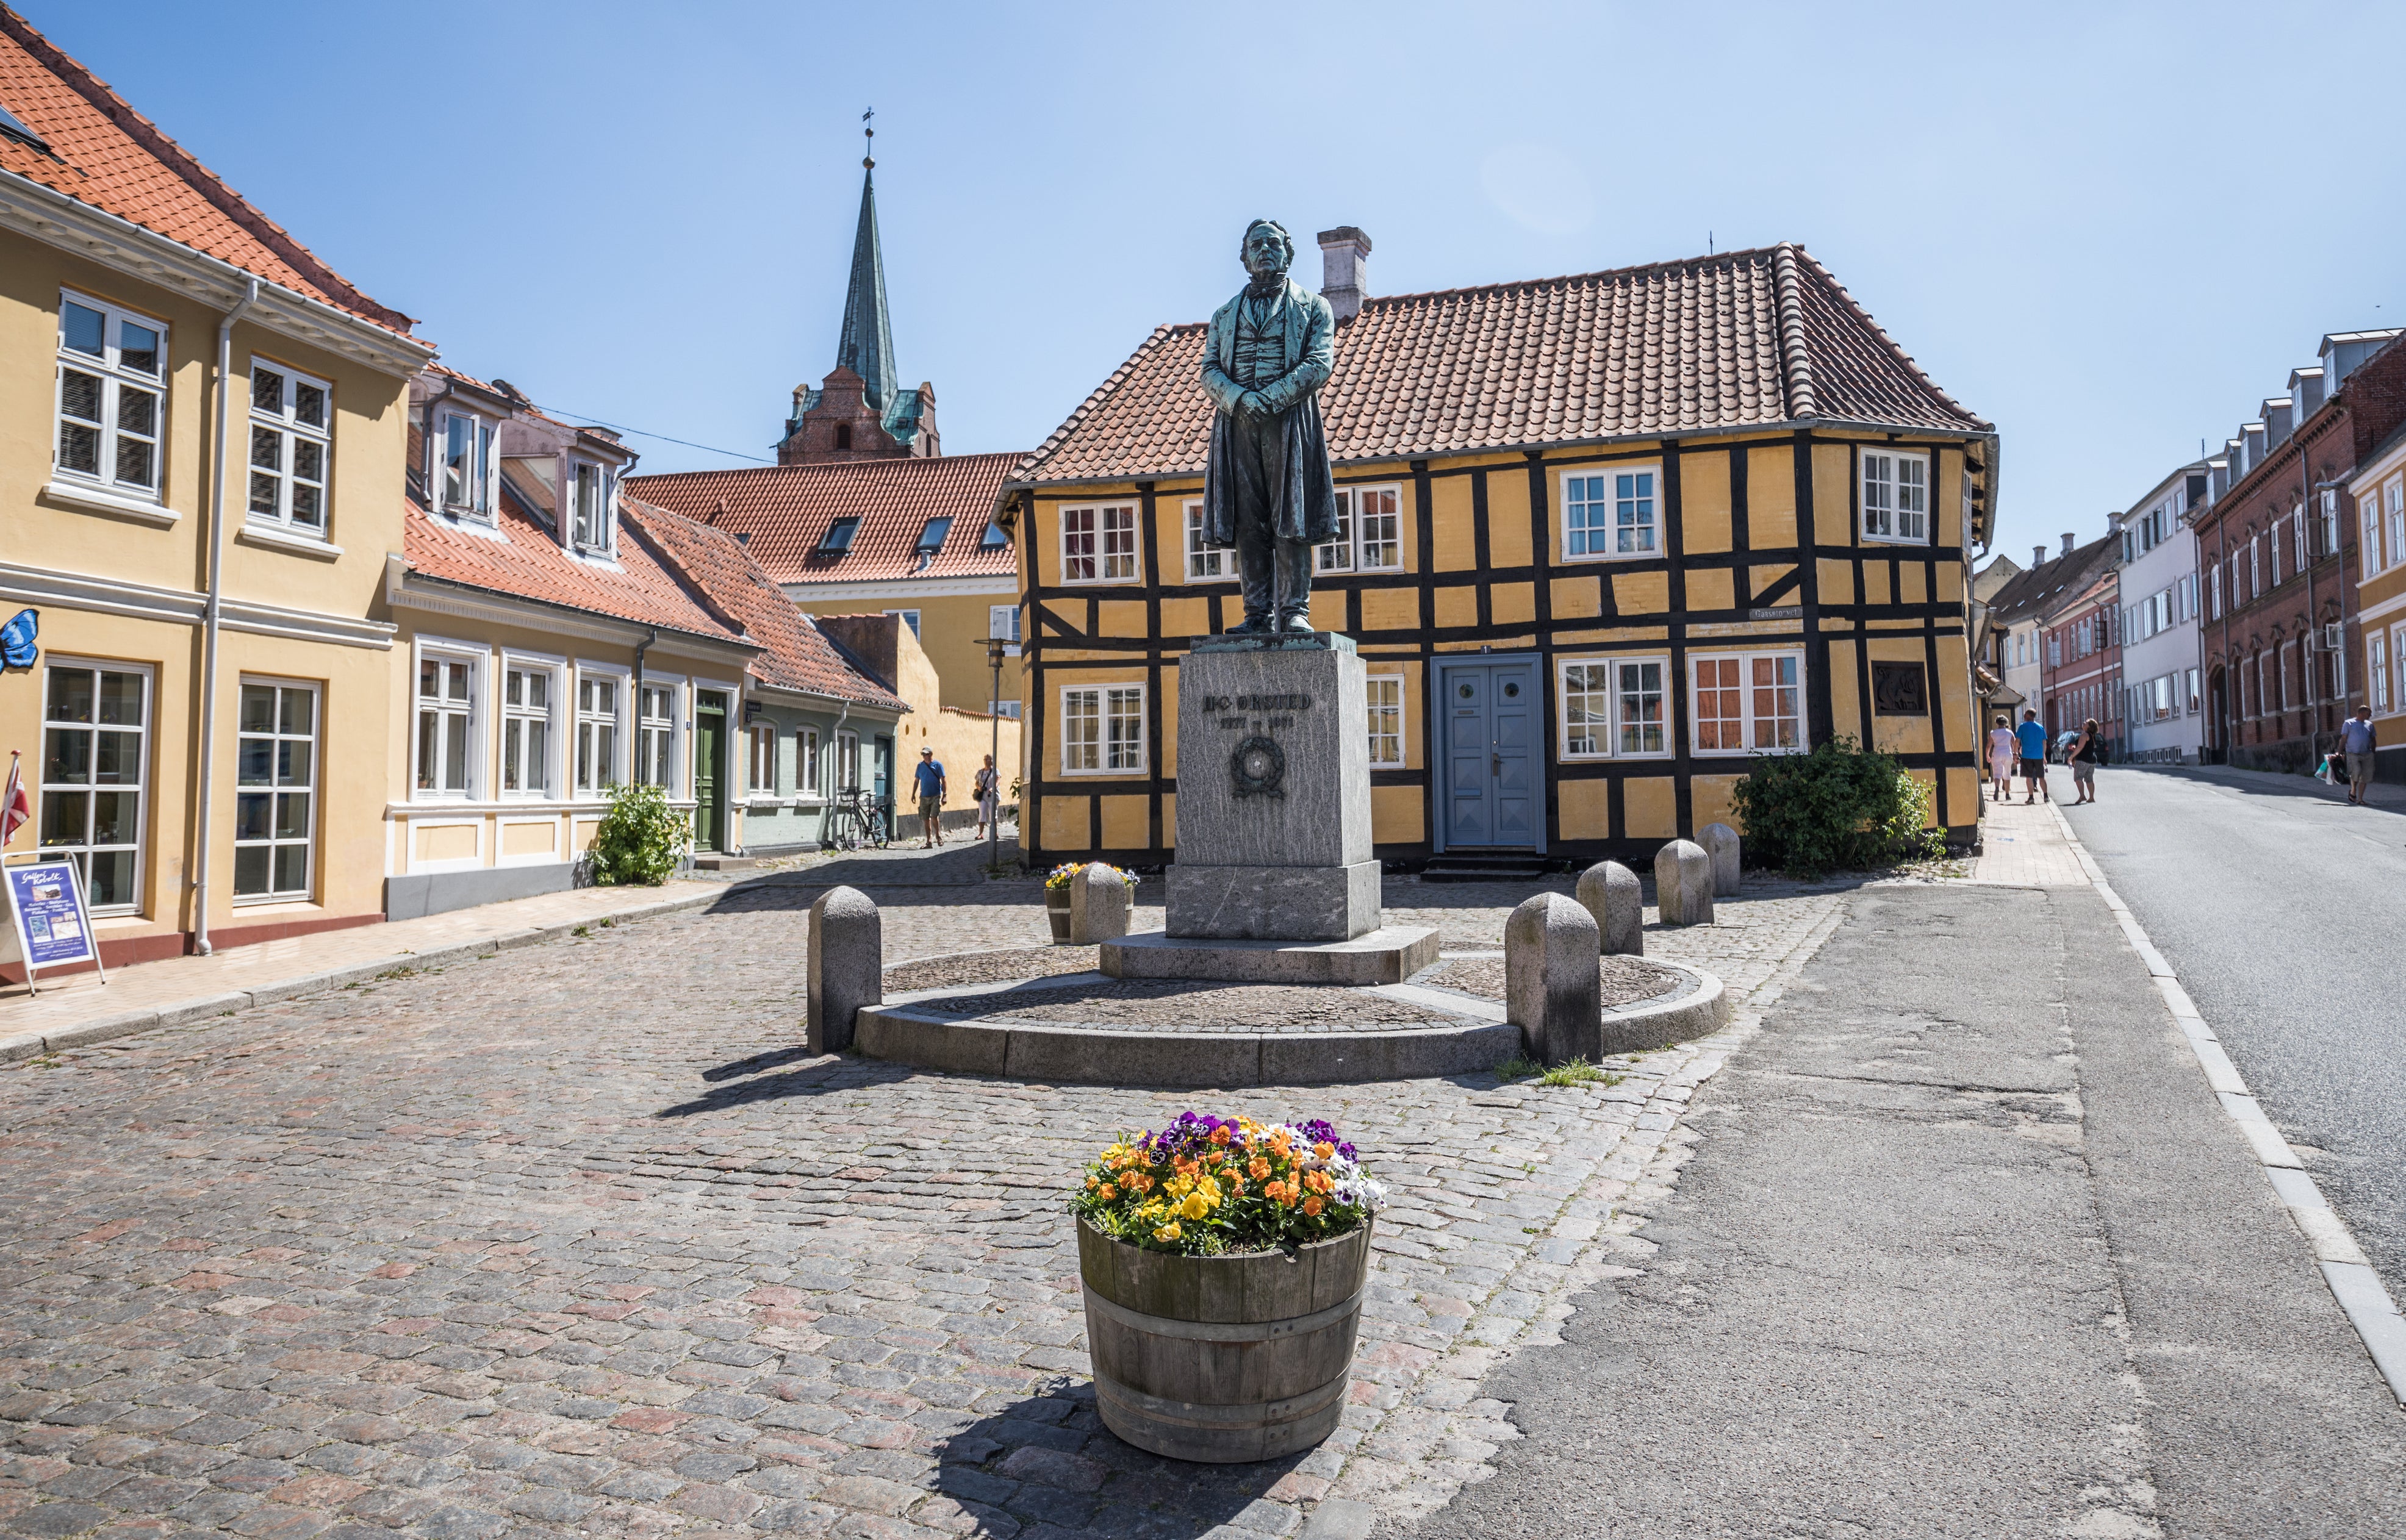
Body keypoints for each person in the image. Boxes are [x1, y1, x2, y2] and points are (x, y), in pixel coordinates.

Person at [2341, 706, 2379, 805]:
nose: (2370, 716)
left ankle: (2360, 799)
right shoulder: (2349, 723)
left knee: (2366, 777)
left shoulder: (2370, 725)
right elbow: (2344, 738)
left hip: (2367, 753)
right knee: (2356, 772)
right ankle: (2353, 790)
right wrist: (2339, 752)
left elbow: (2373, 739)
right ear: (2361, 713)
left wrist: (2373, 752)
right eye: (2368, 714)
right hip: (2353, 753)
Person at [913, 747, 947, 848]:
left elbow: (943, 780)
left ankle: (938, 836)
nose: (924, 756)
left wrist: (945, 795)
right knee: (925, 819)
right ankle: (929, 841)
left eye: (926, 754)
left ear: (931, 754)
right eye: (923, 754)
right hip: (924, 796)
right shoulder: (920, 766)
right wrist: (913, 794)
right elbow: (917, 780)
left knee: (934, 817)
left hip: (935, 795)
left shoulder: (938, 765)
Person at [2016, 709, 2050, 804]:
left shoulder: (2022, 726)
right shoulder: (2040, 727)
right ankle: (2046, 796)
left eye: (2025, 714)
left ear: (2028, 716)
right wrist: (2043, 755)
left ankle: (2031, 798)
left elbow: (2017, 740)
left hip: (2026, 756)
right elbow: (2044, 742)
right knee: (2041, 777)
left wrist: (2015, 753)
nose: (2024, 716)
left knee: (2029, 777)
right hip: (2038, 756)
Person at [2069, 717, 2102, 804]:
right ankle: (2091, 797)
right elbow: (2086, 747)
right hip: (2092, 760)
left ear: (2090, 726)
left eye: (2086, 722)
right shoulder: (2093, 736)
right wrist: (2076, 748)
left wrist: (2072, 757)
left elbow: (2080, 747)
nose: (2084, 723)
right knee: (2089, 779)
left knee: (2078, 778)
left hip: (2083, 760)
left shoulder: (2084, 735)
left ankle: (2082, 796)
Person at [1986, 714, 2018, 801]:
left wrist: (1987, 755)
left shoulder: (1993, 733)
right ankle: (2007, 794)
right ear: (2006, 723)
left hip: (1997, 753)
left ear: (1997, 723)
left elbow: (1988, 746)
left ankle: (1997, 788)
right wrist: (2016, 755)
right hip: (2007, 753)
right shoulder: (2010, 733)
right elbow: (2014, 744)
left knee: (1997, 773)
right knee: (2007, 773)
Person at [972, 754, 1000, 839]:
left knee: (993, 814)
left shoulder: (995, 771)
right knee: (982, 813)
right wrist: (979, 788)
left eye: (988, 759)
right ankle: (980, 834)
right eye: (985, 759)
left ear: (991, 761)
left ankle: (995, 832)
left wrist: (993, 788)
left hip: (992, 796)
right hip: (983, 796)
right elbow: (977, 782)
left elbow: (998, 780)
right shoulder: (980, 772)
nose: (986, 761)